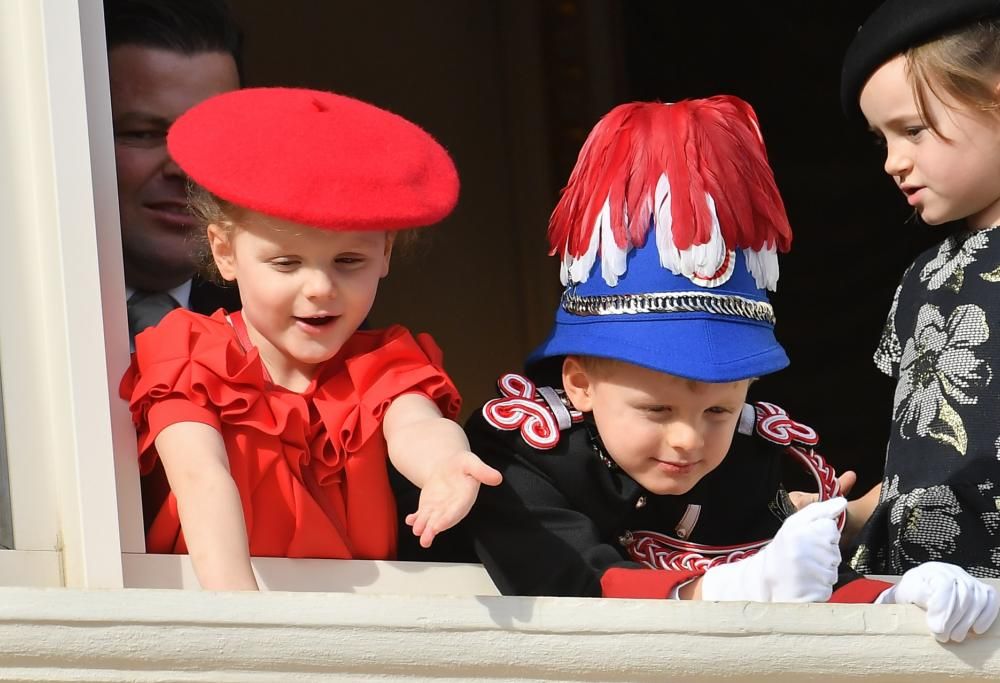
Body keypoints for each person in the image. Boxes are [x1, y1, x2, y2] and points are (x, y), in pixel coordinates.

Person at [461, 97, 999, 642]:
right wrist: (714, 592)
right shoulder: (512, 456)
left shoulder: (747, 455)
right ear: (579, 383)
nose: (689, 438)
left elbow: (795, 579)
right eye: (657, 408)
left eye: (719, 408)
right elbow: (568, 581)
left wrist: (896, 595)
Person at [119, 87, 502, 590]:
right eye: (286, 263)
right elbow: (201, 478)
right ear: (225, 252)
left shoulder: (384, 361)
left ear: (385, 254)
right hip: (213, 608)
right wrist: (242, 617)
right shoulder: (188, 352)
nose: (320, 288)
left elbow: (415, 425)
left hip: (351, 621)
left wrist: (447, 464)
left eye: (349, 261)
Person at [822, 0, 1000, 579]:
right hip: (913, 609)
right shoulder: (924, 278)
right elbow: (923, 474)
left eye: (913, 130)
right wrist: (838, 516)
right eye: (883, 141)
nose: (894, 163)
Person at [104, 0, 244, 340]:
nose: (183, 170)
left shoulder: (306, 331)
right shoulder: (20, 311)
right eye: (143, 133)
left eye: (210, 137)